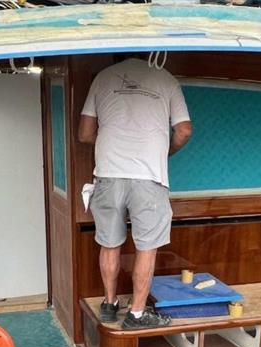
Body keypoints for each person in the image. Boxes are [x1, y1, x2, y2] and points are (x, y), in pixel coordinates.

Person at [78, 54, 193, 330]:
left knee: (109, 243)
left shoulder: (103, 77)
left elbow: (84, 133)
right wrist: (165, 152)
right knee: (147, 249)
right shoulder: (166, 79)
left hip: (108, 173)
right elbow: (184, 130)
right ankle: (137, 315)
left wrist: (112, 142)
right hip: (149, 176)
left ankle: (109, 304)